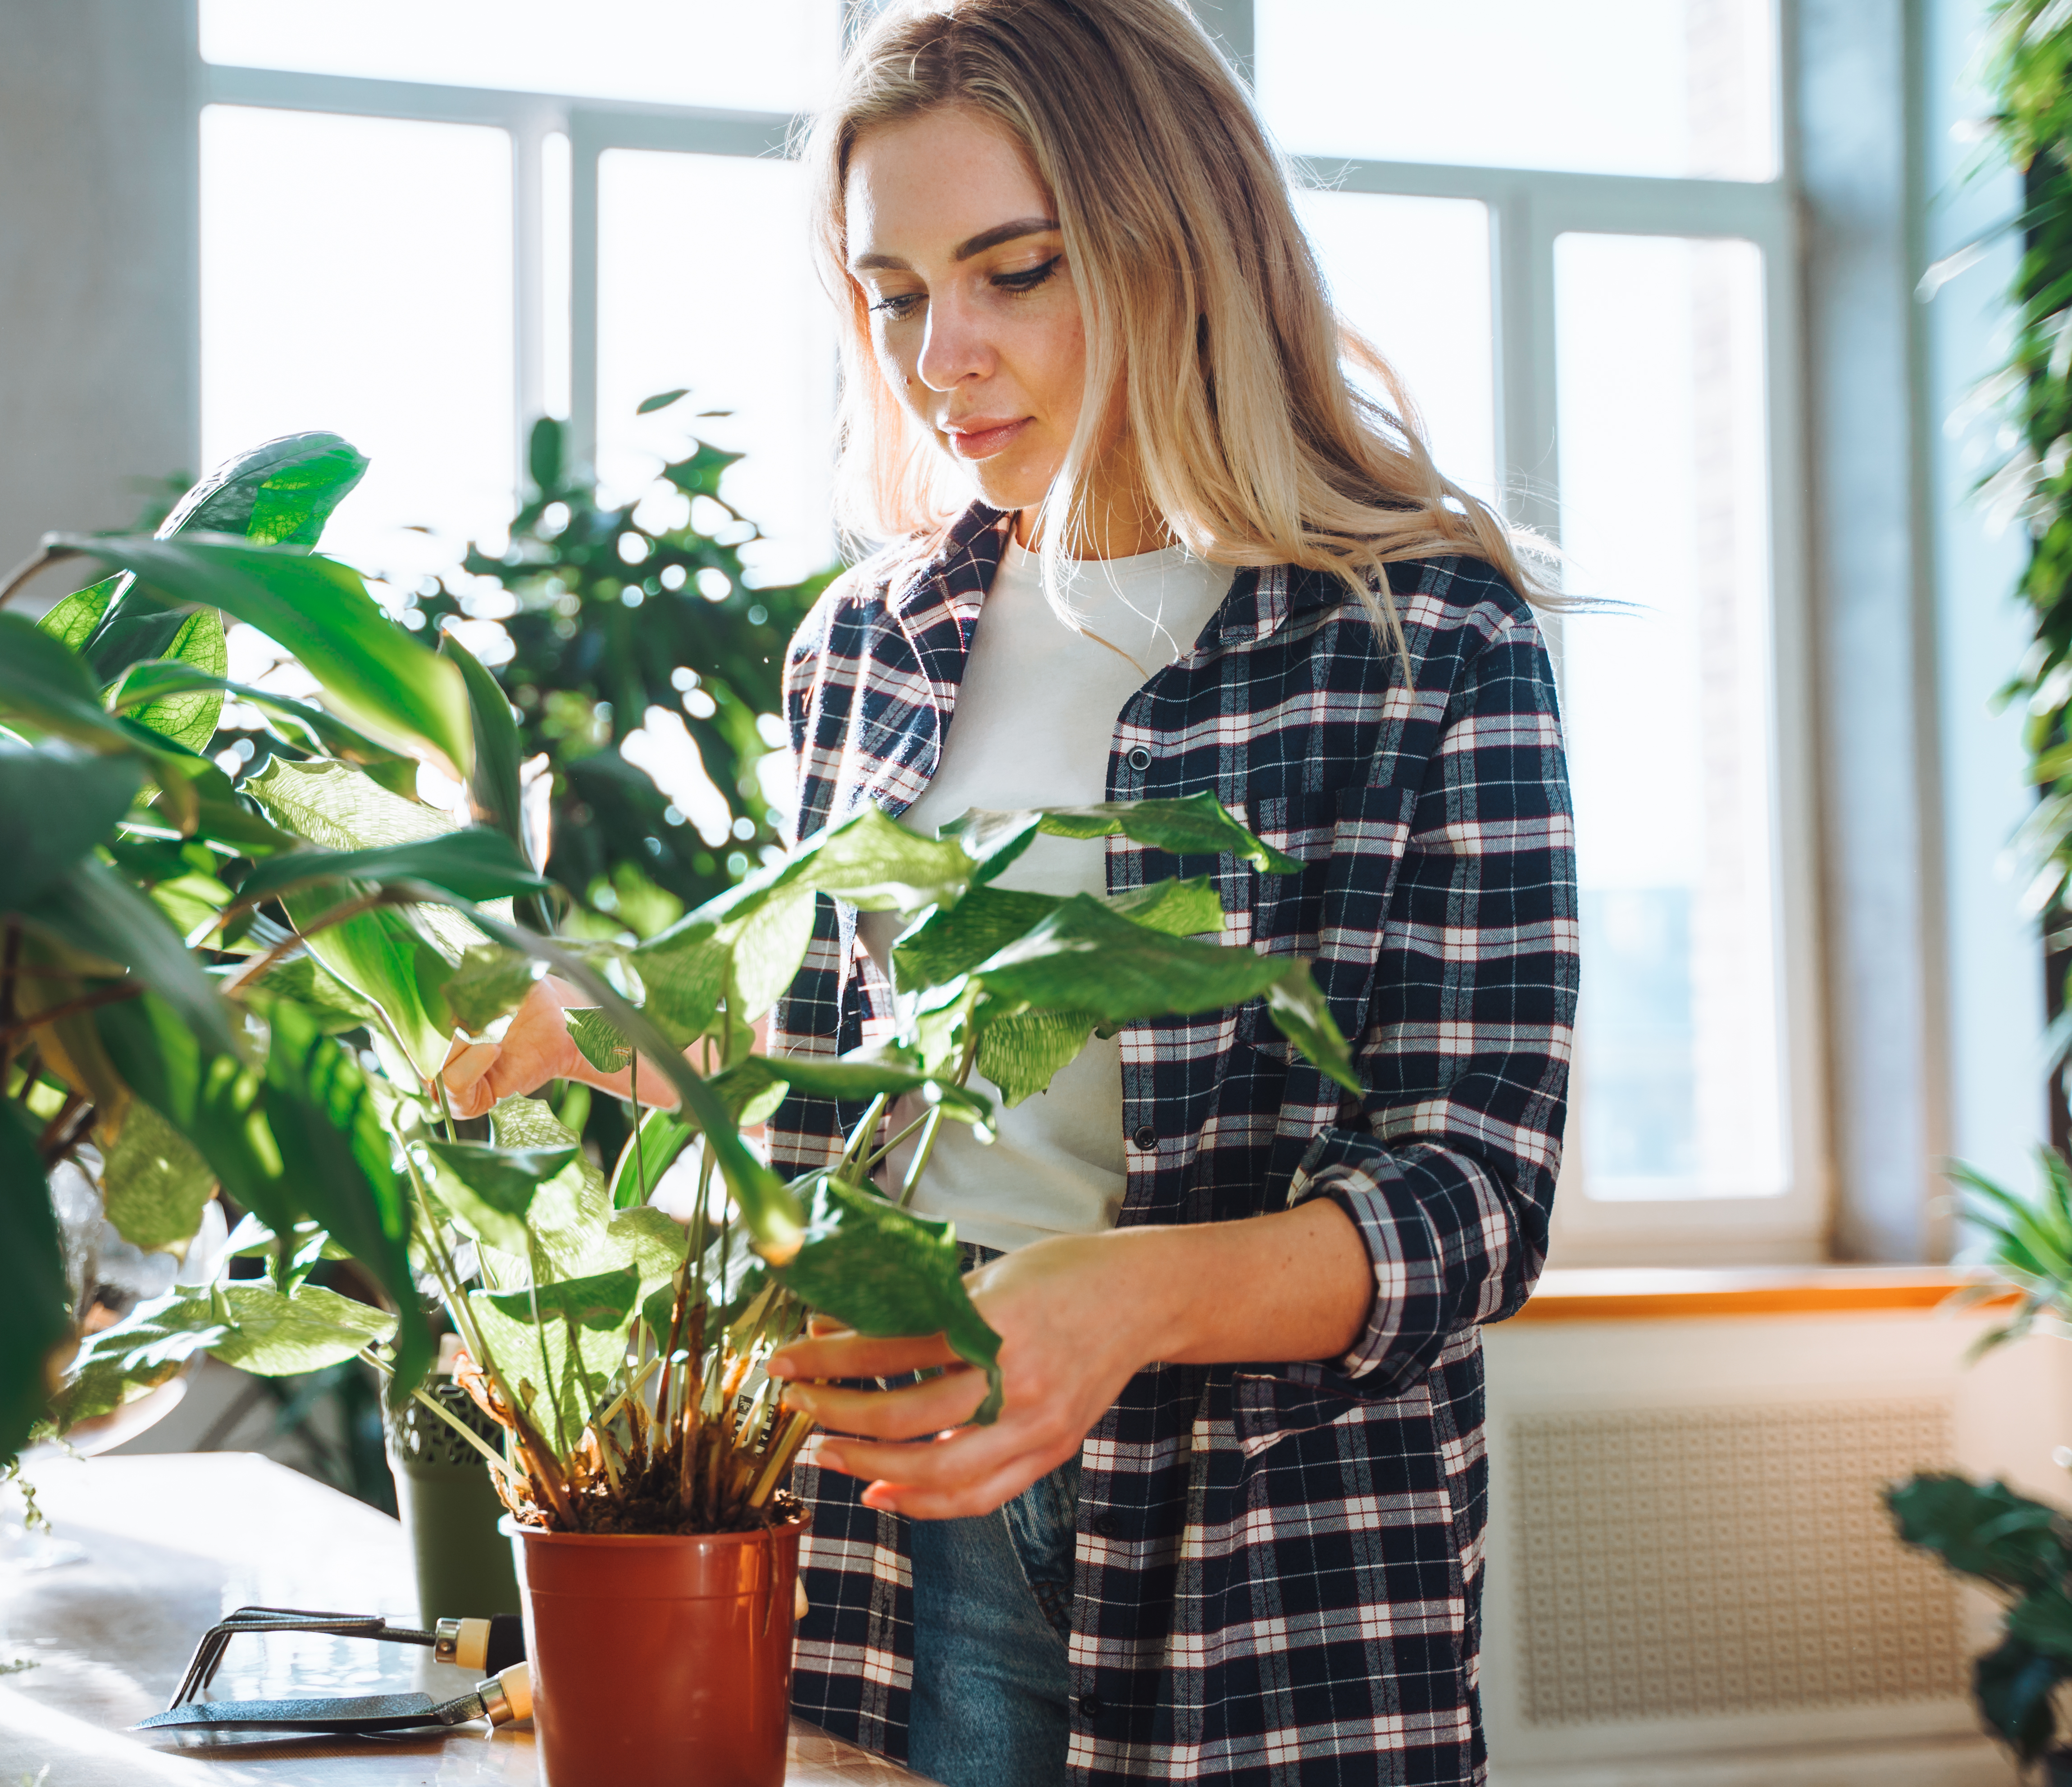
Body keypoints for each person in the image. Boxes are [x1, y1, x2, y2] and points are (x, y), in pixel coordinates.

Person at [443, 2, 1575, 1782]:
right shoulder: (867, 651)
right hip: (892, 1526)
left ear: (1174, 246)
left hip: (1254, 1570)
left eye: (1013, 271)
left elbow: (1479, 1195)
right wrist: (638, 1036)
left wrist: (1122, 1298)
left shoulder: (1423, 636)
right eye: (893, 294)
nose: (938, 353)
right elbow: (845, 1114)